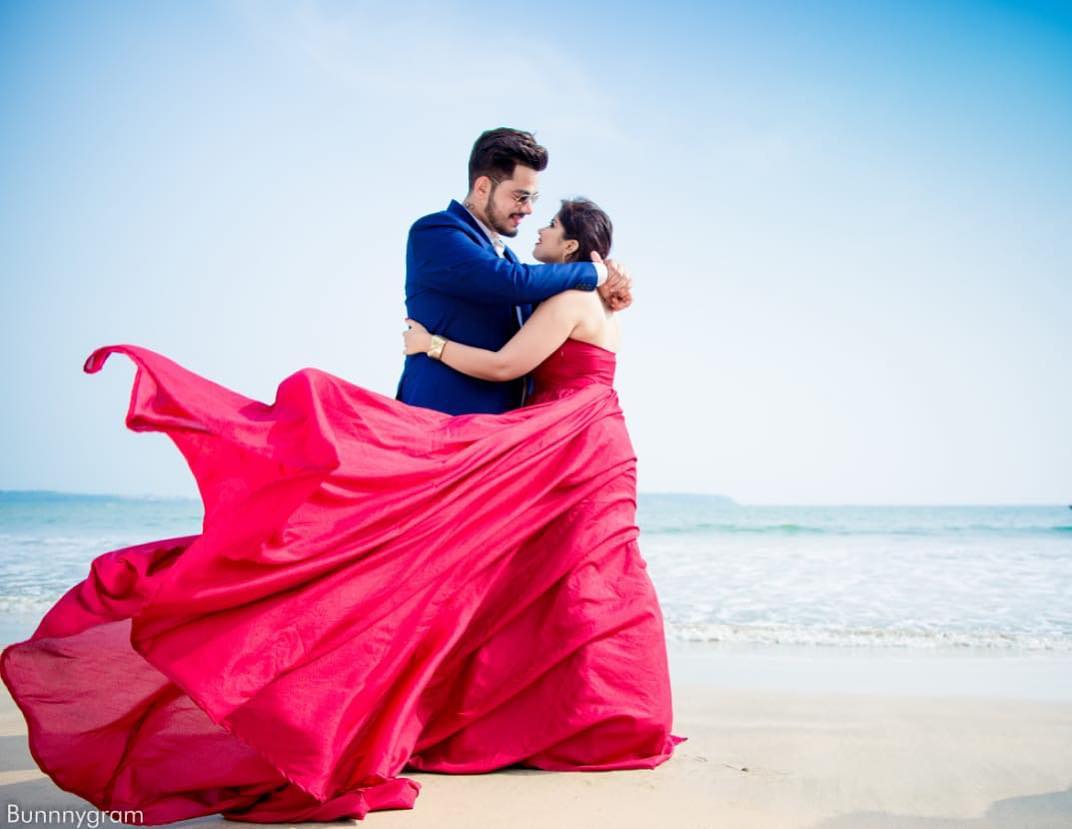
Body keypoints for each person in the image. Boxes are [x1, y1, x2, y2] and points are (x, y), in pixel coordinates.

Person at [0, 190, 683, 827]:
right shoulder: (605, 305)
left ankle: (579, 716)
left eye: (551, 226)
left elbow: (508, 367)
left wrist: (432, 346)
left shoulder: (567, 297)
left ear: (569, 249)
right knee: (581, 578)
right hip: (597, 439)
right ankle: (612, 715)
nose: (539, 228)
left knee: (563, 576)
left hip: (567, 441)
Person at [396, 127, 632, 415]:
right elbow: (509, 282)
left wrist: (607, 278)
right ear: (483, 187)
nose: (530, 210)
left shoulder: (508, 257)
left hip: (503, 433)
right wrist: (594, 273)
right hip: (439, 415)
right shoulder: (437, 232)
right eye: (520, 197)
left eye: (534, 198)